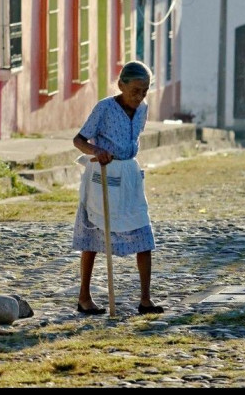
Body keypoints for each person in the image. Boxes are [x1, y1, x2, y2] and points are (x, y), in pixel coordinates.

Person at [71, 60, 164, 316]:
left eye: (144, 91)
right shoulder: (104, 108)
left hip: (129, 175)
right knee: (93, 236)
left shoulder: (143, 109)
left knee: (144, 234)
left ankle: (145, 299)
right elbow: (79, 139)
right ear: (121, 85)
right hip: (104, 173)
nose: (139, 96)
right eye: (134, 90)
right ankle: (84, 297)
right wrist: (96, 150)